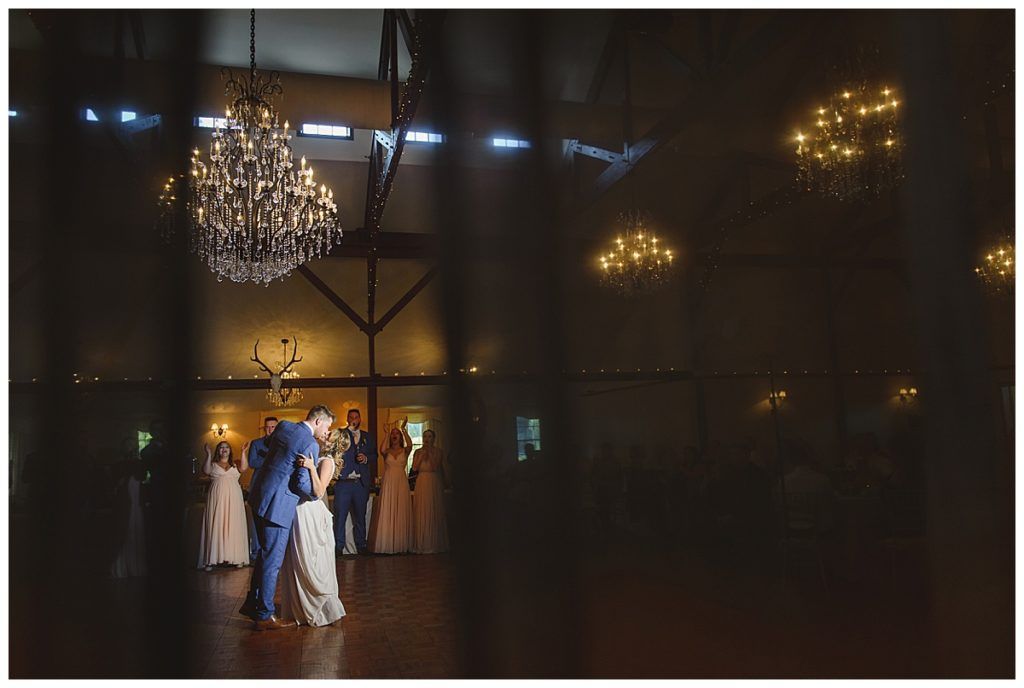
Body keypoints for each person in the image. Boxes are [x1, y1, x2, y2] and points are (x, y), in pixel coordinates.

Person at [241, 405, 334, 630]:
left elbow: (269, 452)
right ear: (318, 421)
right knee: (272, 560)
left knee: (264, 553)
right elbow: (300, 483)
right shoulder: (309, 443)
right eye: (327, 426)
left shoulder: (283, 426)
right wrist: (316, 495)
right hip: (277, 506)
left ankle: (252, 604)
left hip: (259, 495)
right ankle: (264, 615)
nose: (327, 432)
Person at [278, 440, 347, 627]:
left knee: (313, 560)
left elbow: (318, 491)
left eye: (325, 436)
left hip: (311, 511)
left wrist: (310, 467)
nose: (319, 438)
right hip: (298, 511)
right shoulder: (312, 456)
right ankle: (299, 606)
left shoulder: (326, 461)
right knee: (299, 558)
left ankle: (321, 606)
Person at [197, 441, 250, 571]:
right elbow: (206, 470)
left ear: (230, 450)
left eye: (226, 447)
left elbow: (244, 468)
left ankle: (237, 558)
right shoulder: (213, 465)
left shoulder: (235, 464)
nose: (224, 450)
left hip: (234, 499)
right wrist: (208, 454)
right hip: (217, 498)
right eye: (221, 448)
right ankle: (212, 559)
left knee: (234, 525)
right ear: (218, 451)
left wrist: (243, 452)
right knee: (217, 524)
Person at [333, 408, 377, 556]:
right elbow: (334, 452)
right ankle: (338, 548)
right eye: (351, 417)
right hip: (344, 482)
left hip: (360, 483)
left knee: (360, 516)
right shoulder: (341, 434)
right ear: (347, 418)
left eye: (356, 417)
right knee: (340, 516)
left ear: (360, 419)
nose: (354, 419)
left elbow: (374, 455)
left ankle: (361, 545)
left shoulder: (367, 436)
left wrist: (366, 458)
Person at [370, 420, 413, 554]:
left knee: (400, 508)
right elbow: (381, 449)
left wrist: (403, 429)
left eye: (397, 434)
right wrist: (387, 433)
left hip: (401, 481)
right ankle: (387, 544)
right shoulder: (386, 451)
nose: (395, 435)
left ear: (400, 437)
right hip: (388, 482)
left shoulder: (405, 450)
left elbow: (410, 444)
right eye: (393, 434)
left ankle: (401, 544)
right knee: (388, 508)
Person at [245, 417, 278, 561]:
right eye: (268, 427)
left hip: (276, 487)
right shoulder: (256, 443)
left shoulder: (282, 445)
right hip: (258, 486)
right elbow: (252, 462)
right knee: (257, 520)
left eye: (273, 427)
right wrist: (271, 459)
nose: (270, 430)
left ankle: (272, 551)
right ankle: (257, 552)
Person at [411, 428, 449, 554]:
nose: (427, 439)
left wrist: (429, 453)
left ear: (434, 438)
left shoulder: (439, 451)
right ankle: (422, 544)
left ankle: (434, 544)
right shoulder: (417, 451)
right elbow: (415, 467)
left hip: (433, 481)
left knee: (433, 509)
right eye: (425, 436)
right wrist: (422, 455)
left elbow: (434, 466)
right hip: (422, 481)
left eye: (429, 436)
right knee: (422, 509)